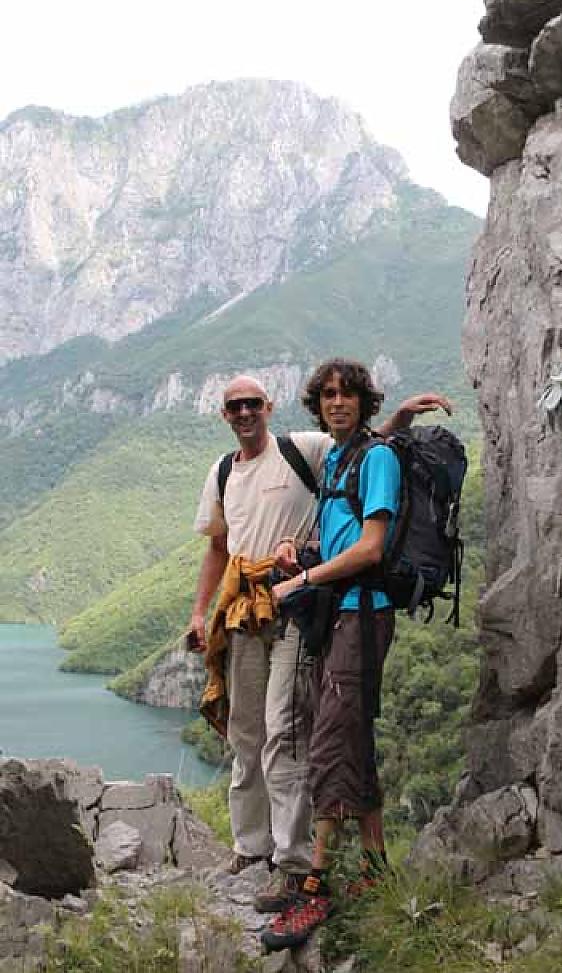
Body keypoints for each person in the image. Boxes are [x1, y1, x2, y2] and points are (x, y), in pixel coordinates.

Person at [188, 373, 450, 914]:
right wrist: (201, 610)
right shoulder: (223, 472)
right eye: (233, 405)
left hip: (308, 608)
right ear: (223, 414)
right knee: (247, 731)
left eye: (252, 403)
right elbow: (218, 547)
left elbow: (364, 447)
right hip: (249, 609)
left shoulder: (301, 449)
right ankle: (253, 846)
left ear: (269, 405)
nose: (243, 413)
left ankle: (300, 865)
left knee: (293, 732)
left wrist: (398, 419)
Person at [262, 358, 420, 951]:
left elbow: (371, 548)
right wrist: (300, 552)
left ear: (363, 401)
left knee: (329, 743)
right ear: (317, 404)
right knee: (352, 737)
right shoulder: (337, 458)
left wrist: (301, 584)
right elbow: (340, 536)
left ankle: (315, 885)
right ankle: (376, 867)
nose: (336, 402)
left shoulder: (374, 457)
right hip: (339, 613)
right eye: (327, 394)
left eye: (347, 394)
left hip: (361, 610)